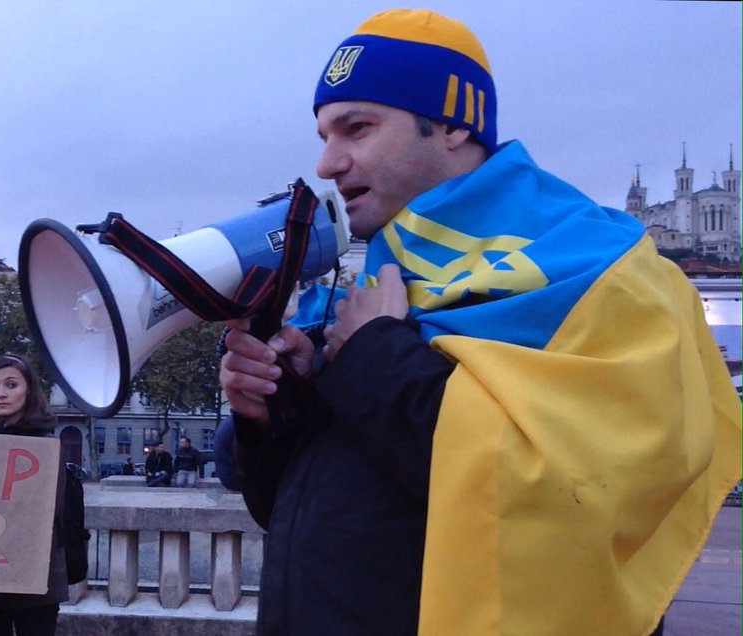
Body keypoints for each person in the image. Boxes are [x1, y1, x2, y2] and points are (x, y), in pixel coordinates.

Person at [218, 9, 741, 636]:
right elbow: (297, 508)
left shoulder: (608, 272)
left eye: (356, 129)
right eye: (324, 136)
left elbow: (572, 501)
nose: (327, 163)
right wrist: (279, 409)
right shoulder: (365, 285)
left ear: (451, 124)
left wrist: (375, 357)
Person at [0, 353, 67, 636]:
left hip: (35, 580)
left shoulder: (47, 446)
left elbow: (50, 511)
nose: (1, 394)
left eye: (11, 385)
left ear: (29, 390)